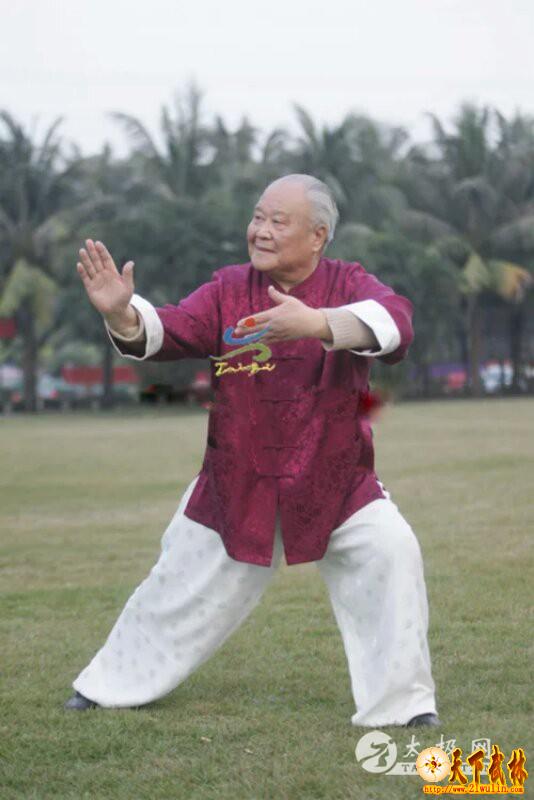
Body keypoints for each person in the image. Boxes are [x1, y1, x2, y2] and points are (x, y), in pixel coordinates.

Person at [65, 174, 440, 728]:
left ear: (317, 236)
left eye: (277, 221)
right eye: (258, 217)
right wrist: (122, 314)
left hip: (337, 479)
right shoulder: (228, 289)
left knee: (391, 552)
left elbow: (396, 324)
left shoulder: (347, 282)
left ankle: (404, 708)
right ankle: (106, 688)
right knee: (177, 585)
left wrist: (316, 323)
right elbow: (170, 328)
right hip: (236, 480)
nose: (260, 230)